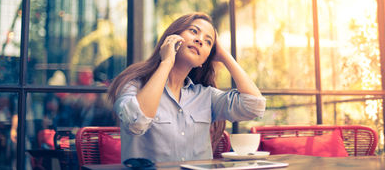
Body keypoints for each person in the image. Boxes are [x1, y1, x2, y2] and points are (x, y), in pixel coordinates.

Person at [107, 12, 266, 163]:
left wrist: (224, 56)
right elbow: (136, 122)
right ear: (172, 36)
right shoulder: (134, 84)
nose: (200, 40)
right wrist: (166, 62)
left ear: (204, 60)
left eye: (208, 41)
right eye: (193, 31)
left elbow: (255, 106)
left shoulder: (206, 96)